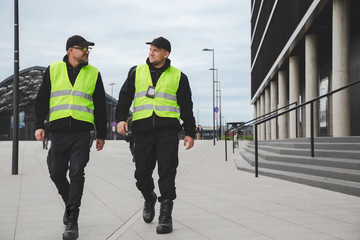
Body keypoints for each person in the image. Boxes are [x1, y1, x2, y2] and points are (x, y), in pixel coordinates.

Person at [115, 36, 196, 234]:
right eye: (150, 49)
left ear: (166, 54)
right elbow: (124, 97)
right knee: (142, 173)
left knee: (167, 171)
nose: (151, 53)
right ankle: (149, 197)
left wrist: (190, 132)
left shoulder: (179, 76)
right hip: (142, 131)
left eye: (156, 50)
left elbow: (186, 105)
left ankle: (165, 215)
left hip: (167, 130)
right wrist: (120, 119)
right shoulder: (136, 72)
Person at [34, 35, 107, 240]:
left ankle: (72, 218)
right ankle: (69, 203)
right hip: (58, 132)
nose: (86, 51)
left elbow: (100, 106)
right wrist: (40, 125)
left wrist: (102, 134)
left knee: (76, 172)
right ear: (70, 51)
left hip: (82, 133)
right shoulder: (54, 69)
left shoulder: (94, 73)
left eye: (88, 49)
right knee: (56, 173)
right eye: (82, 48)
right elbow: (42, 99)